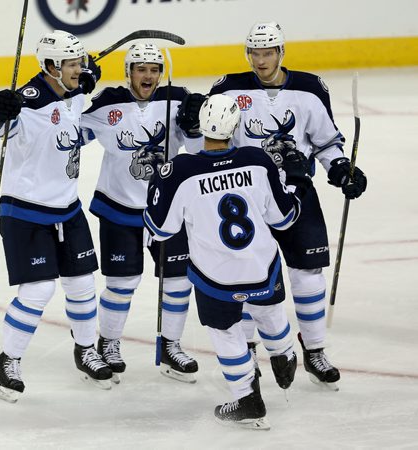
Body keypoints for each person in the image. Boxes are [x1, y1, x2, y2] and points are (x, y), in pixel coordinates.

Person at [177, 22, 367, 389]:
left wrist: (341, 167)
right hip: (248, 194)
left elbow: (327, 141)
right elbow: (212, 145)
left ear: (282, 53)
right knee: (247, 273)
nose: (261, 61)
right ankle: (247, 349)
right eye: (255, 53)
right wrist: (192, 131)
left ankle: (313, 350)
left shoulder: (310, 89)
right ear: (247, 54)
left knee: (308, 273)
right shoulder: (228, 87)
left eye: (268, 53)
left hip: (296, 189)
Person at [144, 94, 313, 427]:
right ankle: (284, 354)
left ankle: (248, 400)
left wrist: (156, 183)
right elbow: (283, 219)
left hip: (215, 276)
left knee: (225, 332)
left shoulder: (180, 171)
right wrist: (297, 180)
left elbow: (160, 229)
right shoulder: (257, 160)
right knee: (270, 312)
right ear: (235, 127)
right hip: (261, 267)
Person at [0, 30, 110, 403]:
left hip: (67, 209)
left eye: (81, 63)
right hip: (26, 212)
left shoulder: (72, 94)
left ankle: (85, 351)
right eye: (72, 64)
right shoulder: (29, 100)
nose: (80, 70)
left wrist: (83, 81)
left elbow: (74, 106)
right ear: (52, 67)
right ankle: (7, 362)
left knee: (83, 286)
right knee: (39, 290)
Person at [80, 43, 202, 383]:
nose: (147, 75)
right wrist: (75, 88)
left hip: (167, 208)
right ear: (128, 72)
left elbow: (197, 150)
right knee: (122, 284)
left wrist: (193, 127)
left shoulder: (178, 98)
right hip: (119, 208)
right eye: (140, 68)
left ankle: (171, 346)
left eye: (153, 69)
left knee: (177, 281)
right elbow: (72, 134)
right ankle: (108, 343)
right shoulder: (109, 102)